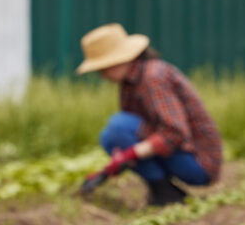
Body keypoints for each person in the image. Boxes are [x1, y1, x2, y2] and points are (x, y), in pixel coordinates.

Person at [76, 23, 223, 206]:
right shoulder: (131, 82)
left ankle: (164, 192)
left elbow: (176, 132)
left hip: (199, 163)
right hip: (180, 155)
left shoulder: (153, 78)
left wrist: (129, 154)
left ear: (118, 61)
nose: (102, 75)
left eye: (102, 68)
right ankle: (165, 191)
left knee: (118, 127)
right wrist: (117, 161)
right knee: (110, 138)